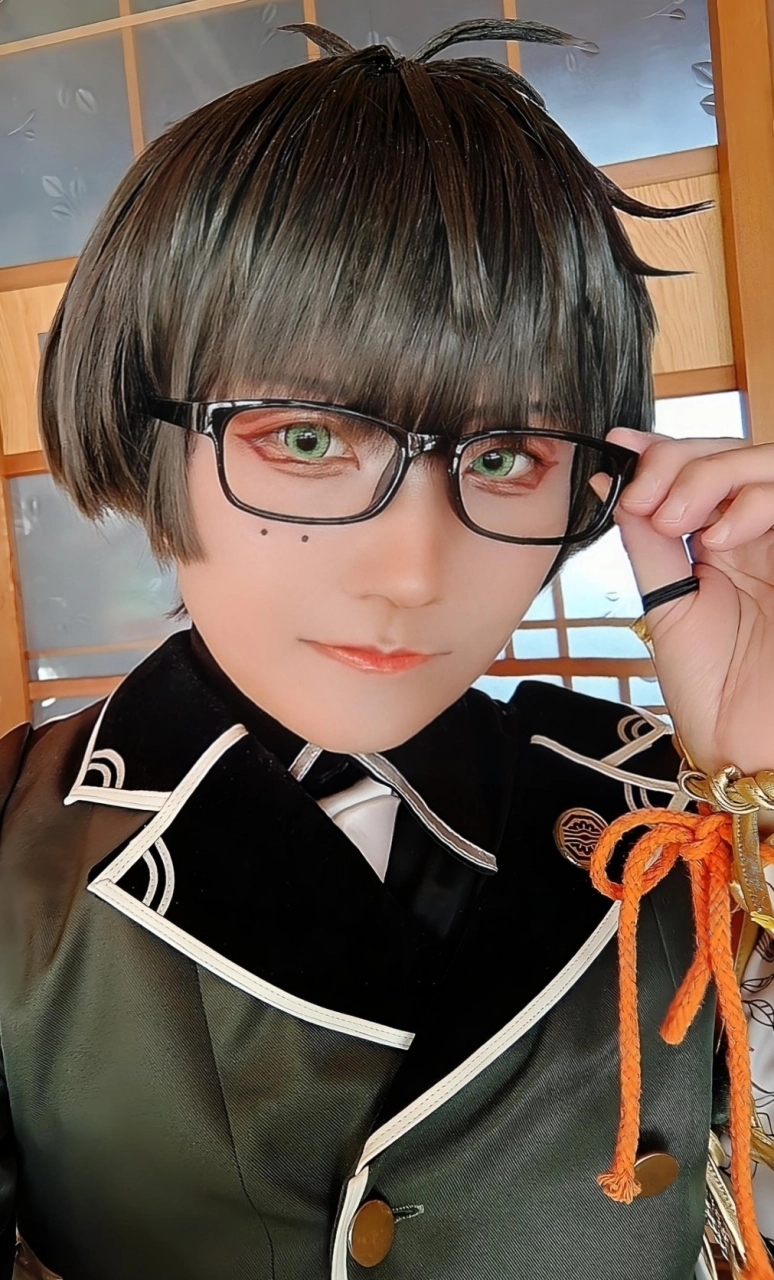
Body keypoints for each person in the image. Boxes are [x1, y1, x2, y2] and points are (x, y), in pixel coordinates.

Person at [1, 16, 773, 1280]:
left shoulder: (675, 811)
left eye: (507, 454)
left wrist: (762, 777)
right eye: (308, 439)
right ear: (145, 434)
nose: (414, 571)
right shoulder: (12, 846)